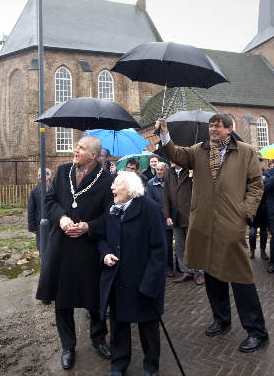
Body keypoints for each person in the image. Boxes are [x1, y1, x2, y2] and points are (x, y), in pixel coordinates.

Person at [156, 114, 269, 353]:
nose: (213, 130)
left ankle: (256, 331)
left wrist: (244, 213)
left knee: (241, 277)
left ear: (229, 129)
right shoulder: (199, 150)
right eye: (211, 127)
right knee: (212, 274)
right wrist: (164, 133)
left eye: (217, 127)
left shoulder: (246, 151)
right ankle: (221, 319)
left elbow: (256, 185)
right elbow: (175, 155)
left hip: (231, 222)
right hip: (204, 223)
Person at [35, 136, 112, 369]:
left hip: (88, 247)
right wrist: (62, 217)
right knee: (63, 298)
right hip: (62, 245)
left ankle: (99, 339)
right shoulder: (62, 172)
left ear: (93, 155)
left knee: (95, 297)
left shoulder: (106, 180)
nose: (75, 150)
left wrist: (89, 226)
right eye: (76, 146)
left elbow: (110, 215)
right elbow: (49, 201)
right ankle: (68, 346)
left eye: (81, 148)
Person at [98, 171, 166, 376]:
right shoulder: (111, 210)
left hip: (143, 281)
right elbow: (101, 238)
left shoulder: (149, 209)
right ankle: (118, 364)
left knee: (148, 329)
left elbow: (159, 250)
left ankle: (151, 367)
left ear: (129, 188)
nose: (112, 188)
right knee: (119, 327)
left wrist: (149, 284)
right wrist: (105, 254)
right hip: (118, 281)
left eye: (116, 184)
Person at [163, 162, 204, 284]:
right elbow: (165, 196)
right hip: (176, 216)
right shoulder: (169, 174)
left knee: (194, 245)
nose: (171, 160)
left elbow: (201, 193)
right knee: (180, 246)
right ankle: (187, 271)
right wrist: (167, 216)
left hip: (191, 215)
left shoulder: (191, 172)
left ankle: (199, 272)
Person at [146, 162, 174, 278]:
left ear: (166, 170)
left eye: (161, 170)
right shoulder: (151, 184)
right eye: (157, 170)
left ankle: (182, 268)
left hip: (174, 215)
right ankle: (168, 267)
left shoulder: (172, 182)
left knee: (179, 243)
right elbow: (150, 202)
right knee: (166, 243)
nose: (158, 172)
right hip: (161, 218)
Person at [27, 167, 52, 256]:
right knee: (42, 247)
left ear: (48, 176)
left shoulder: (55, 189)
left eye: (41, 175)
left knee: (53, 247)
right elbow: (31, 210)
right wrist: (32, 227)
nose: (39, 177)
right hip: (40, 224)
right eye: (38, 175)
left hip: (53, 223)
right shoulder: (34, 191)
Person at [248, 185, 269, 260]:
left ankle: (263, 251)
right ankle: (252, 250)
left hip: (264, 211)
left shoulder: (266, 175)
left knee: (263, 233)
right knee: (252, 233)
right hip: (253, 211)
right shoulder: (251, 178)